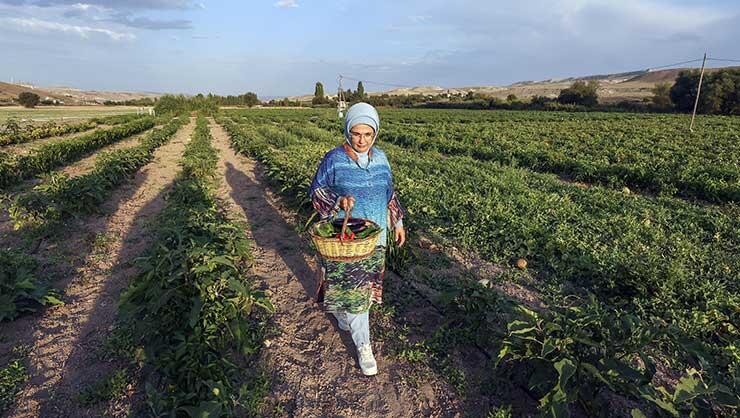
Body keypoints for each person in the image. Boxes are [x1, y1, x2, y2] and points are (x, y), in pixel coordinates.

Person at [309, 102, 406, 376]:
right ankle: (364, 346)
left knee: (361, 289)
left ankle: (343, 315)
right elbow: (316, 191)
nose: (362, 140)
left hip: (375, 238)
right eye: (356, 133)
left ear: (375, 134)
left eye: (367, 134)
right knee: (355, 291)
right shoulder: (334, 159)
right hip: (347, 240)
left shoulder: (382, 159)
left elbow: (389, 193)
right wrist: (338, 200)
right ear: (347, 132)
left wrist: (397, 221)